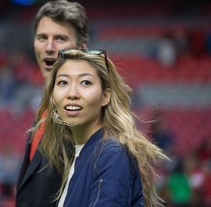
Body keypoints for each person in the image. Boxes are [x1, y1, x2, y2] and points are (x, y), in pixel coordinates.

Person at [33, 48, 169, 206]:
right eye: (63, 82)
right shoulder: (73, 157)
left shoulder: (111, 153)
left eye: (85, 82)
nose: (72, 93)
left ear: (105, 96)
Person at [16, 0, 89, 207]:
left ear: (81, 48)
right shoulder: (46, 108)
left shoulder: (88, 113)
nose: (49, 47)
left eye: (60, 38)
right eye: (42, 38)